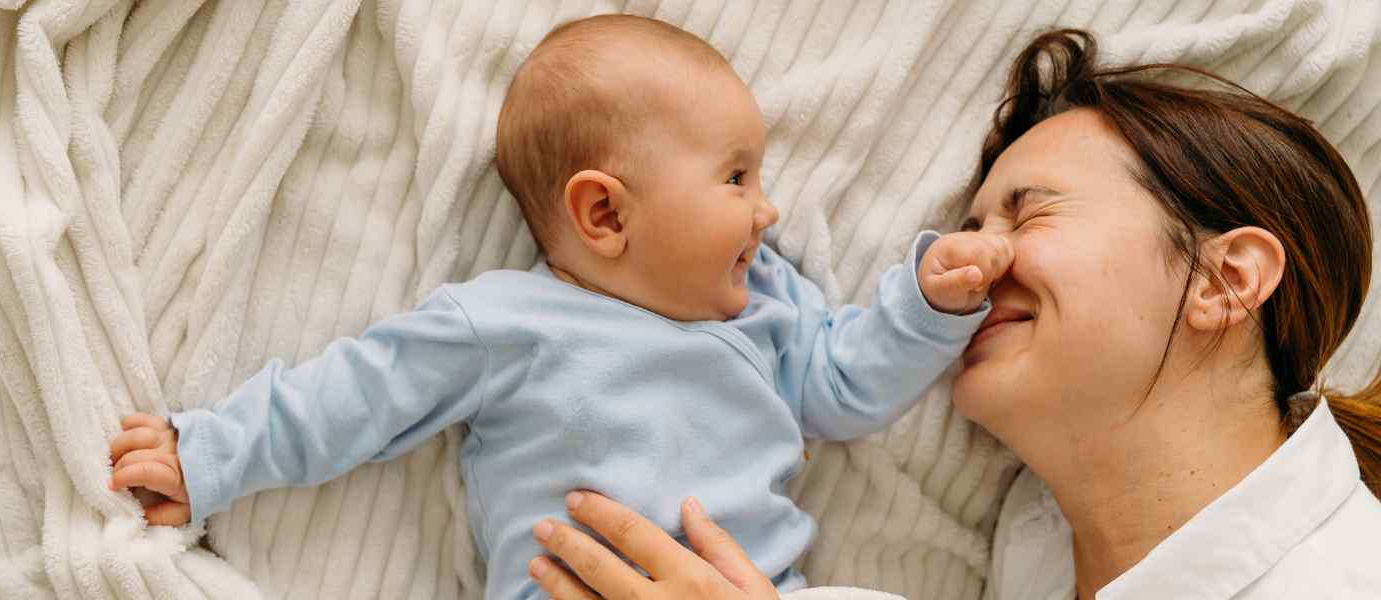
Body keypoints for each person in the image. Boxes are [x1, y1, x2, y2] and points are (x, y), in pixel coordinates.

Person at [102, 14, 1013, 600]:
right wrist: (211, 453)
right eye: (736, 176)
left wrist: (928, 304)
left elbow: (845, 386)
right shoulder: (507, 324)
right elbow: (355, 395)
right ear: (605, 212)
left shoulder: (765, 302)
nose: (766, 208)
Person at [521, 29, 1381, 600]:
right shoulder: (1034, 552)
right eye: (971, 226)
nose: (971, 263)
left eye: (1028, 213)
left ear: (1223, 281)